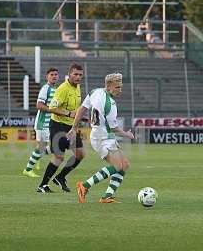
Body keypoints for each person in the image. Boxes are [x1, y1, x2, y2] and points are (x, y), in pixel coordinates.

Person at [68, 73, 134, 203]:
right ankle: (84, 185)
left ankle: (107, 196)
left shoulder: (95, 92)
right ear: (109, 86)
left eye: (121, 87)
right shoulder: (110, 104)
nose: (120, 90)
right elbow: (114, 128)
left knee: (124, 164)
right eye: (117, 87)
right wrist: (128, 135)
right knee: (118, 165)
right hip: (102, 138)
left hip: (101, 136)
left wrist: (74, 127)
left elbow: (82, 109)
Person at [37, 63, 85, 193]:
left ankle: (60, 177)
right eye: (75, 74)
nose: (78, 77)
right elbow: (53, 108)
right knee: (59, 157)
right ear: (69, 74)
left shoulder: (78, 87)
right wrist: (69, 114)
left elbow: (75, 109)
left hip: (70, 126)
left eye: (80, 75)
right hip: (57, 125)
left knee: (80, 154)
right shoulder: (63, 88)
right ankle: (42, 185)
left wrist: (79, 118)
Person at [22, 67, 59, 178]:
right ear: (47, 77)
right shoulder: (45, 89)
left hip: (50, 123)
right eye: (52, 74)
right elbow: (39, 105)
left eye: (56, 74)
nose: (54, 76)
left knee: (51, 146)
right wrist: (52, 110)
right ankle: (28, 169)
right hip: (43, 123)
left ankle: (36, 157)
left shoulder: (57, 89)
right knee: (51, 146)